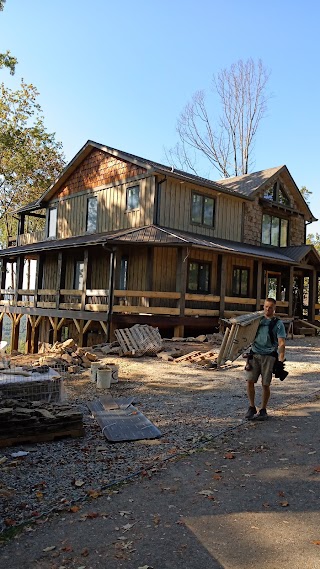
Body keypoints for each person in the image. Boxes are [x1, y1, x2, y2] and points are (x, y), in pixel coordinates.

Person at [245, 297, 286, 421]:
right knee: (249, 381)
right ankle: (252, 407)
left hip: (269, 356)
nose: (268, 309)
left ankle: (263, 410)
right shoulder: (257, 320)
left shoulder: (278, 323)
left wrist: (280, 360)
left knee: (265, 384)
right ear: (263, 307)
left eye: (270, 307)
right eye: (266, 307)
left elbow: (281, 343)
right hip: (254, 354)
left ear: (274, 308)